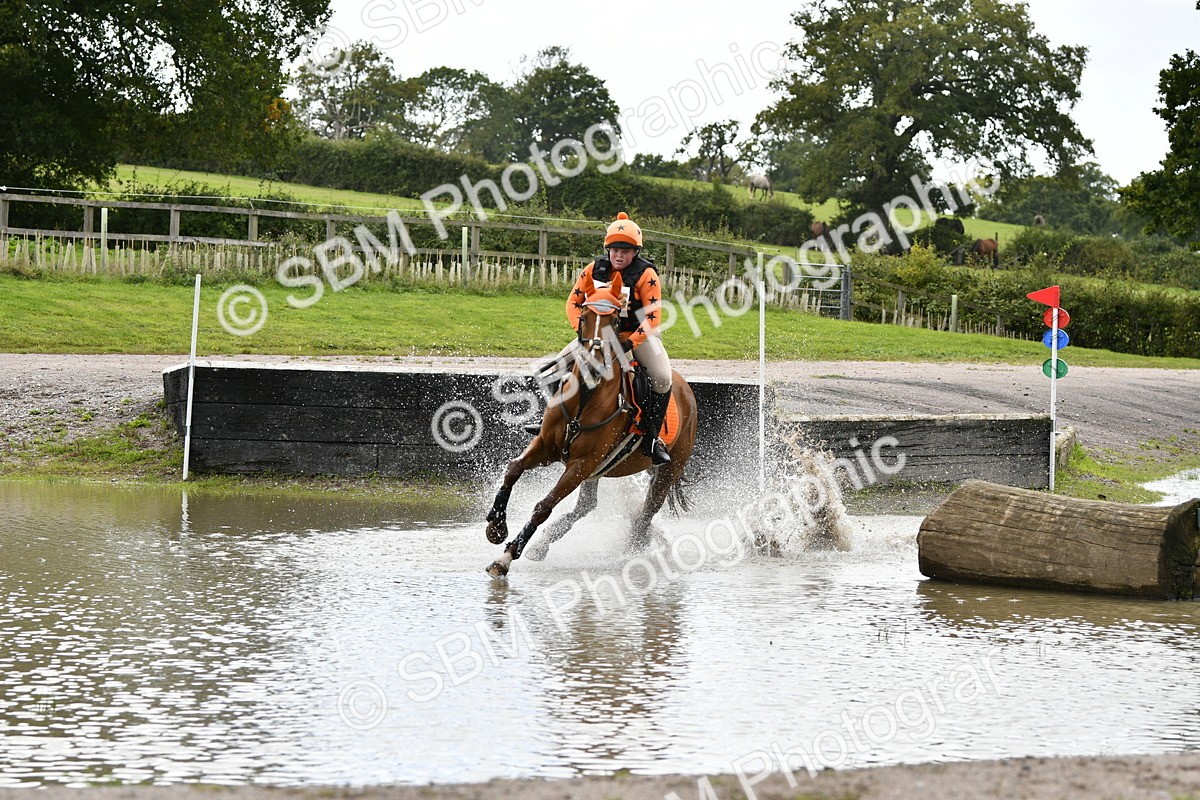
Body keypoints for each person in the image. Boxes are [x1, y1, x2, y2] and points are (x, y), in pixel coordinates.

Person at [532, 212, 673, 465]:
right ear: (607, 249)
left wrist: (630, 343)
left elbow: (652, 318)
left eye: (626, 251)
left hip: (636, 334)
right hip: (596, 335)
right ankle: (549, 422)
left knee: (662, 379)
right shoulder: (593, 270)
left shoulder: (646, 275)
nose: (619, 256)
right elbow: (572, 304)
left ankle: (651, 437)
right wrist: (583, 333)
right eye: (615, 250)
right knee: (554, 368)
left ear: (636, 252)